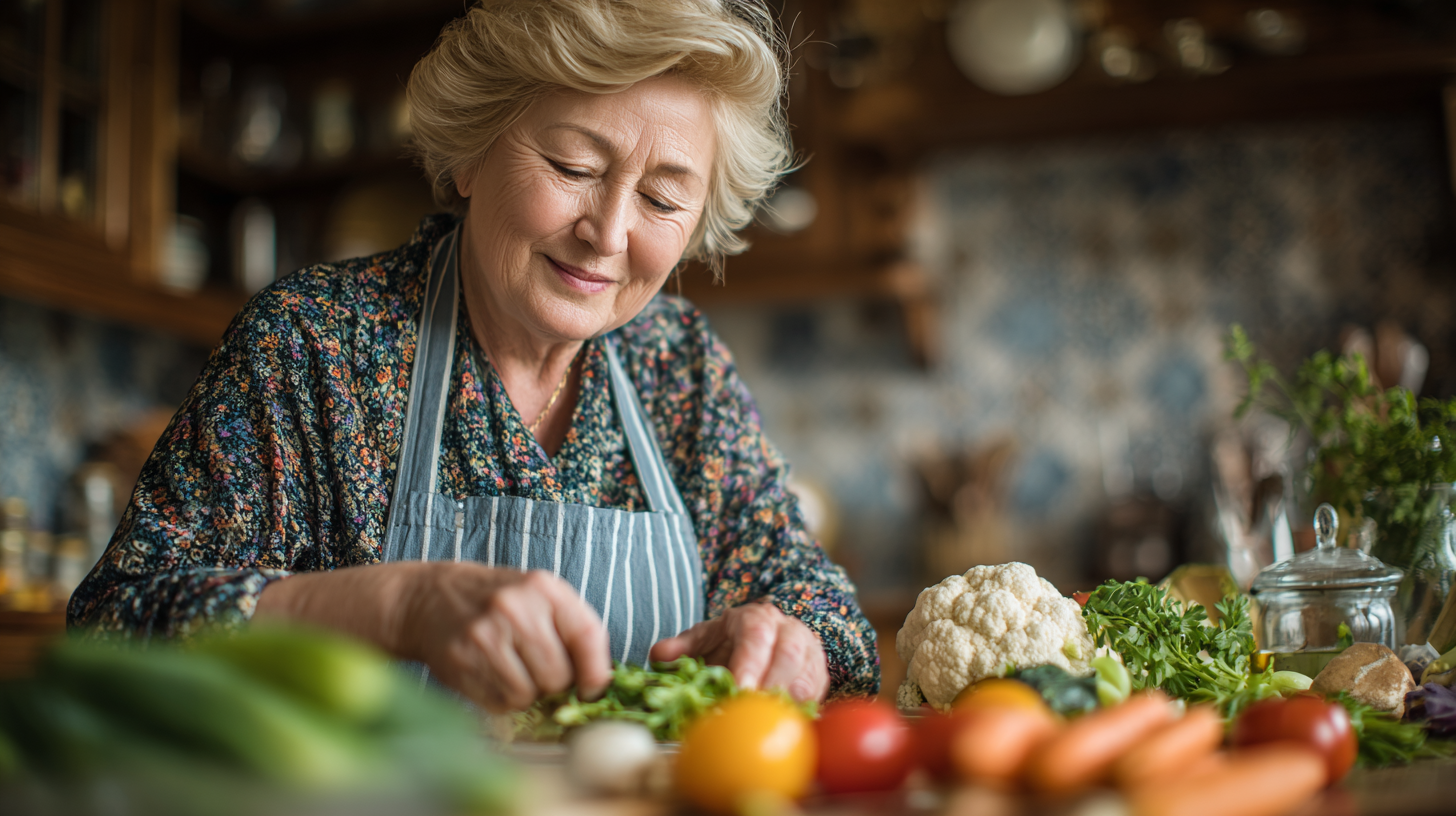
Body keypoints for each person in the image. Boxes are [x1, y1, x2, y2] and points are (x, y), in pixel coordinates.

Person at [67, 0, 878, 712]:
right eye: (573, 167)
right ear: (468, 152)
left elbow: (819, 603)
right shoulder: (313, 342)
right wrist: (391, 609)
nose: (608, 232)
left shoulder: (681, 366)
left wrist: (795, 639)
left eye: (664, 199)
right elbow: (113, 629)